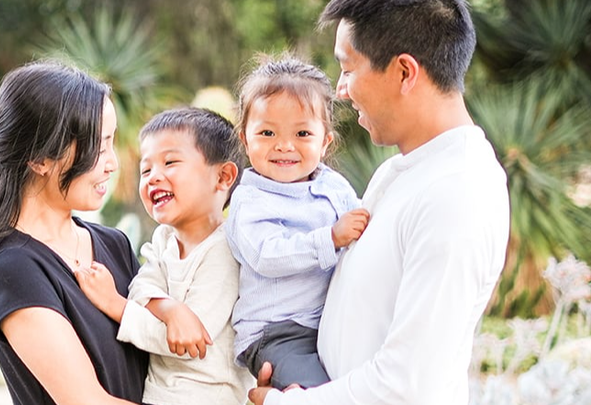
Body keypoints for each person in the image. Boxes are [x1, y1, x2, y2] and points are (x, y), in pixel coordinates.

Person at [248, 0, 511, 404]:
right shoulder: (400, 172)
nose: (340, 89)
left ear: (404, 72)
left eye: (348, 69)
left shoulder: (457, 194)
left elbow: (407, 385)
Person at [0, 60, 148, 405]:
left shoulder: (114, 244)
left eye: (111, 143)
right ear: (40, 158)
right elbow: (88, 402)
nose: (112, 163)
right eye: (98, 147)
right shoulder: (14, 267)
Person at [75, 107, 255, 405]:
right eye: (146, 170)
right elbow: (140, 286)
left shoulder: (225, 249)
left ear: (223, 176)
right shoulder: (164, 239)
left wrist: (114, 304)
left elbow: (186, 342)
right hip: (160, 394)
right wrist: (170, 309)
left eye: (170, 162)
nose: (153, 177)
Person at [226, 54, 370, 390]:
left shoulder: (334, 186)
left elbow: (363, 224)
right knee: (317, 395)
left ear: (325, 142)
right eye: (267, 132)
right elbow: (267, 255)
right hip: (277, 333)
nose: (284, 145)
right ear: (245, 139)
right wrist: (330, 238)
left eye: (303, 132)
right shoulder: (250, 201)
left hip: (330, 323)